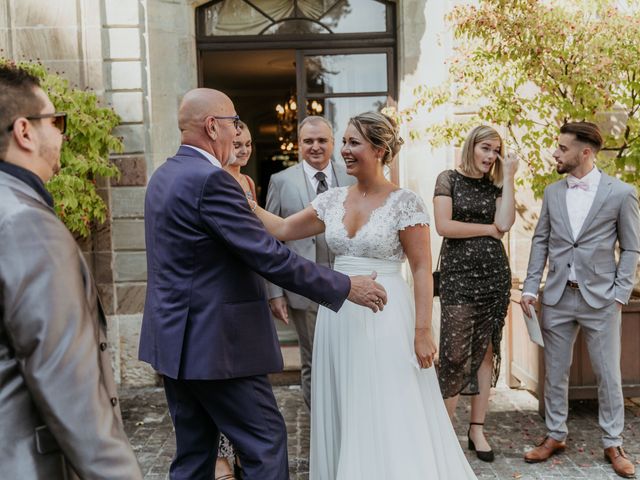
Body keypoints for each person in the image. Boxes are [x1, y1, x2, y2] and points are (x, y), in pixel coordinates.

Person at [138, 88, 387, 480]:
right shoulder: (211, 181)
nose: (238, 132)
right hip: (218, 347)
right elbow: (268, 255)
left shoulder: (163, 177)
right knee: (264, 443)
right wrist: (344, 286)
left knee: (193, 454)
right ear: (212, 126)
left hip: (174, 342)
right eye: (234, 122)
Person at [252, 111, 477, 479]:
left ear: (380, 149)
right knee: (346, 403)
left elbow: (421, 268)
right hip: (337, 317)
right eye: (344, 142)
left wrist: (423, 331)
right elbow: (280, 228)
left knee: (388, 403)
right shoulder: (332, 200)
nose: (344, 150)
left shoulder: (405, 203)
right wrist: (242, 197)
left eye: (353, 142)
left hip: (386, 318)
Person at [0, 64, 142, 479]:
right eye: (56, 120)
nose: (63, 133)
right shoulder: (25, 223)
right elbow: (70, 388)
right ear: (25, 131)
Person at [520, 122, 639, 478]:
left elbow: (631, 247)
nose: (555, 153)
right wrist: (529, 287)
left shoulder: (621, 193)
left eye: (562, 148)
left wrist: (619, 296)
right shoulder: (553, 192)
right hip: (556, 297)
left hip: (601, 300)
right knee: (555, 373)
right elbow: (541, 240)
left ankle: (613, 441)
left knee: (608, 374)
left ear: (585, 153)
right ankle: (555, 434)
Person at [433, 125, 518, 462]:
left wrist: (508, 176)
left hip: (494, 276)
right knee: (454, 354)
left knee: (485, 351)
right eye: (486, 148)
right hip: (458, 277)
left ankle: (477, 429)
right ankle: (441, 430)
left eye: (496, 151)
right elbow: (444, 225)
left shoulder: (495, 184)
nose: (491, 156)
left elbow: (507, 222)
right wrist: (487, 229)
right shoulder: (448, 179)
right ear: (471, 147)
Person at [265, 115, 355, 409]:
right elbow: (270, 241)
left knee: (348, 357)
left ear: (332, 142)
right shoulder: (281, 181)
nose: (315, 147)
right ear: (298, 144)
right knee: (314, 359)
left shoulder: (352, 177)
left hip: (350, 284)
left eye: (322, 141)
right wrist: (275, 292)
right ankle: (320, 428)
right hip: (304, 287)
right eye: (308, 141)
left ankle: (347, 418)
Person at [217, 119, 254, 480]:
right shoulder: (217, 181)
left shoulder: (248, 184)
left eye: (248, 143)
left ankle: (241, 452)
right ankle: (222, 460)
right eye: (237, 142)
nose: (242, 149)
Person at [224, 120, 257, 201]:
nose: (244, 151)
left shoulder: (248, 181)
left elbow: (256, 213)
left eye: (248, 144)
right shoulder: (219, 179)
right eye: (237, 146)